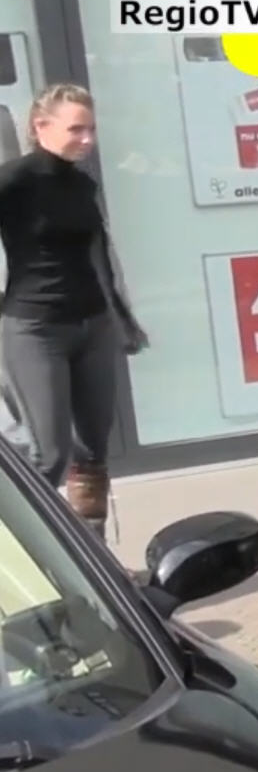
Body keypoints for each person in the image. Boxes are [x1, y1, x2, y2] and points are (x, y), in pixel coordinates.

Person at [0, 84, 147, 536]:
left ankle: (94, 554)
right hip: (35, 329)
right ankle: (31, 551)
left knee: (93, 450)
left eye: (92, 130)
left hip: (93, 327)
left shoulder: (83, 184)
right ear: (41, 126)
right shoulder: (14, 181)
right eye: (76, 129)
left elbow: (100, 256)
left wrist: (121, 318)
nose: (87, 140)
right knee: (49, 454)